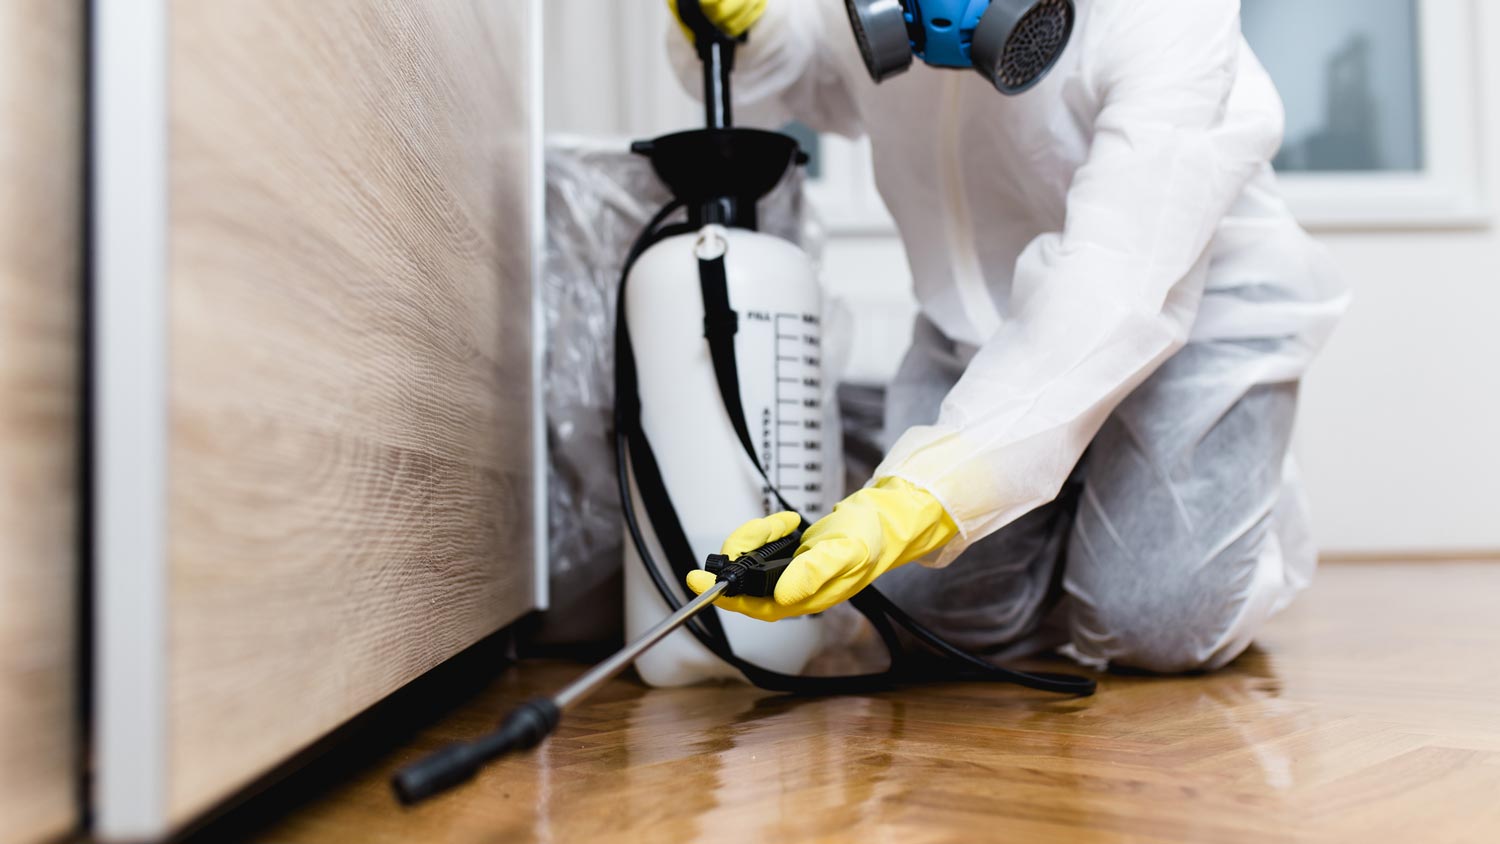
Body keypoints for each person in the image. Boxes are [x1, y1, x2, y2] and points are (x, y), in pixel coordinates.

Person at [669, 0, 1348, 672]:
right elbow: (806, 71)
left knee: (1153, 622)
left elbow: (1116, 280)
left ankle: (1221, 495)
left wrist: (921, 496)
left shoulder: (1162, 15)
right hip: (976, 330)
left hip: (1194, 316)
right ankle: (1058, 484)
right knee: (924, 618)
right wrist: (747, 29)